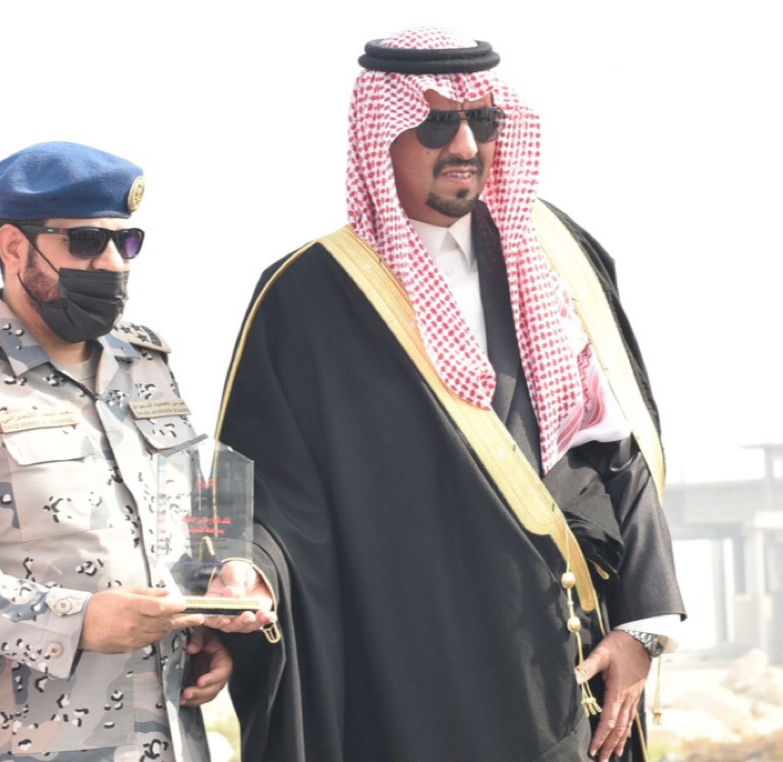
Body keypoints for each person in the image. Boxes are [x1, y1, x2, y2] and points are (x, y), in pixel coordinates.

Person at [217, 26, 685, 762]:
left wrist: (643, 625)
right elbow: (261, 494)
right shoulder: (307, 298)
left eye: (483, 121)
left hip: (572, 673)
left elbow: (615, 452)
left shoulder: (559, 255)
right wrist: (246, 575)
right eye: (436, 123)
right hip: (409, 680)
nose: (465, 145)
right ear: (380, 134)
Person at [0, 141, 272, 761]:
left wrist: (211, 602)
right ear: (14, 247)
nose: (111, 263)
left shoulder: (147, 362)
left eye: (125, 242)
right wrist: (75, 620)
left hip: (170, 735)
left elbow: (189, 515)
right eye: (85, 241)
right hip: (36, 742)